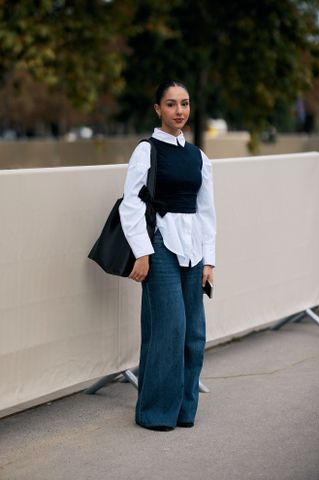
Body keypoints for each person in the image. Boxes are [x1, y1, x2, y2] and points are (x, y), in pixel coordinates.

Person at [119, 80, 216, 431]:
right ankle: (156, 413)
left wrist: (209, 259)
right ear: (158, 109)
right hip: (159, 246)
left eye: (185, 104)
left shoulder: (199, 157)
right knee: (169, 329)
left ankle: (183, 411)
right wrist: (142, 253)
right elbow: (131, 205)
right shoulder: (146, 151)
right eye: (172, 104)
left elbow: (207, 212)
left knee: (194, 333)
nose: (180, 111)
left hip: (193, 249)